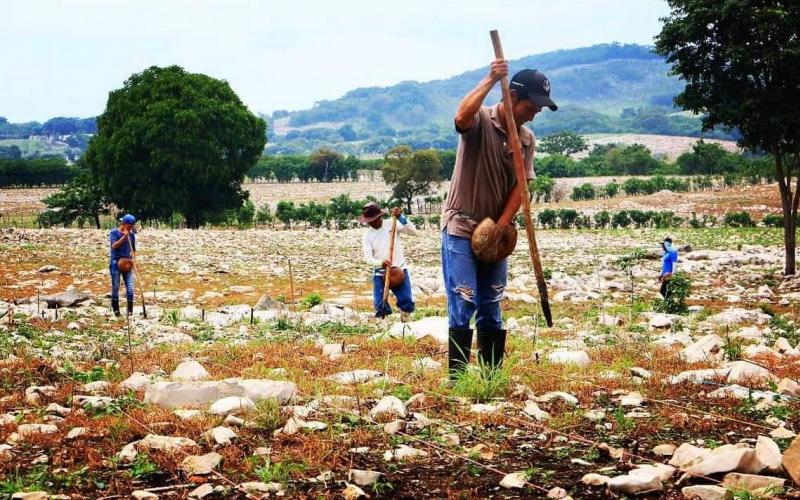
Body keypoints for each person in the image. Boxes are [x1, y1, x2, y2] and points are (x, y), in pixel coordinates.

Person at [441, 62, 557, 378]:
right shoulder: (480, 120)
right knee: (464, 300)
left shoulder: (526, 140)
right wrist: (491, 78)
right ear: (511, 96)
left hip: (496, 231)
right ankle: (458, 380)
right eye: (530, 107)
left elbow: (521, 189)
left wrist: (501, 226)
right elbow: (460, 117)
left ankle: (491, 377)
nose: (534, 114)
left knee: (492, 302)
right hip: (461, 226)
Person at [360, 203, 416, 321]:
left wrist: (401, 217)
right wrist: (381, 263)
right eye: (370, 221)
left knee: (406, 300)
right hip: (381, 272)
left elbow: (412, 231)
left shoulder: (392, 223)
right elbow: (367, 258)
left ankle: (406, 322)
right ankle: (384, 324)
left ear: (380, 216)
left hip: (399, 268)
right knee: (380, 303)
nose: (374, 223)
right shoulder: (367, 236)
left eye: (376, 219)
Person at [109, 214, 137, 317]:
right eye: (128, 227)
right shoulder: (114, 232)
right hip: (115, 263)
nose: (130, 229)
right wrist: (124, 237)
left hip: (127, 263)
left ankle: (130, 312)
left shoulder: (131, 235)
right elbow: (114, 246)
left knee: (130, 288)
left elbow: (133, 250)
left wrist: (135, 261)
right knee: (116, 287)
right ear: (123, 224)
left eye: (131, 227)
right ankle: (116, 312)